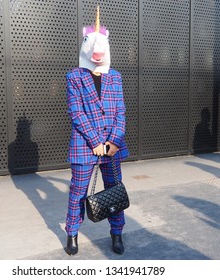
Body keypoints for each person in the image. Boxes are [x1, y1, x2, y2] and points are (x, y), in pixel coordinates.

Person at [65, 6, 129, 255]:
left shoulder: (116, 76)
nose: (97, 50)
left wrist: (114, 141)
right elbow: (76, 112)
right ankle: (72, 232)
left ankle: (117, 233)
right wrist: (94, 141)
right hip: (84, 144)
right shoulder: (74, 76)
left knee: (114, 189)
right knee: (78, 192)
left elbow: (120, 112)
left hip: (112, 146)